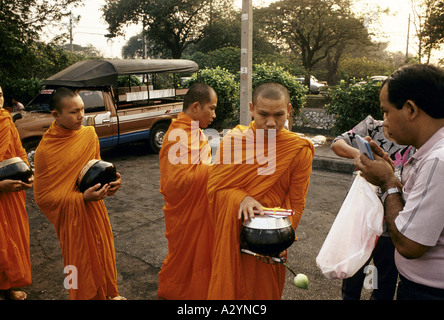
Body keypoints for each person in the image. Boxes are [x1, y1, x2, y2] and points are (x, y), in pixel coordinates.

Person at [206, 82, 314, 299]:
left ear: (289, 110)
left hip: (272, 236)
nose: (271, 123)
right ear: (251, 109)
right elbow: (214, 189)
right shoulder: (234, 141)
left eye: (279, 115)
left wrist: (280, 240)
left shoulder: (299, 149)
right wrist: (241, 198)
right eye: (263, 114)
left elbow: (296, 203)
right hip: (234, 234)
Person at [356, 64, 444, 300]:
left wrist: (387, 181)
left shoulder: (438, 160)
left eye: (386, 112)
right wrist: (391, 175)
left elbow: (409, 244)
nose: (384, 122)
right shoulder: (430, 154)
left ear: (410, 109)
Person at [33, 87, 125, 300]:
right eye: (74, 112)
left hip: (95, 210)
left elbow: (95, 169)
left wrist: (112, 182)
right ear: (56, 115)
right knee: (76, 266)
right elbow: (43, 198)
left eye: (83, 109)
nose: (81, 116)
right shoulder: (45, 151)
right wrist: (80, 198)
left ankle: (109, 294)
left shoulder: (88, 134)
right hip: (72, 220)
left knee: (104, 255)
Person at [331, 115, 415, 300]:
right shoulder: (371, 127)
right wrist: (357, 155)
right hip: (361, 221)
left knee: (382, 281)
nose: (387, 120)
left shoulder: (413, 140)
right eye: (386, 112)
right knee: (353, 274)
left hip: (391, 225)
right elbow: (337, 143)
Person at [157, 83, 217, 300]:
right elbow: (176, 184)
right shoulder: (177, 135)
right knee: (183, 258)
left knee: (201, 258)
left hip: (200, 208)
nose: (214, 114)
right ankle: (176, 292)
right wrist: (215, 172)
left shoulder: (193, 132)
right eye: (211, 108)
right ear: (195, 107)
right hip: (185, 214)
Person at [0, 85, 33, 300]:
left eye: (0, 94)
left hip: (11, 194)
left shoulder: (5, 120)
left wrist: (28, 173)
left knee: (11, 242)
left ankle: (8, 287)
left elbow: (18, 149)